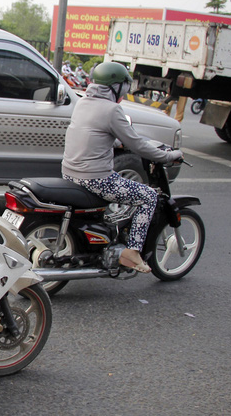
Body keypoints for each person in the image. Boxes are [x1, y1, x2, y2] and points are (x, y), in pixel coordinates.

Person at [61, 62, 183, 273]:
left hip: (70, 173)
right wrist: (168, 156)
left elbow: (93, 133)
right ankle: (133, 251)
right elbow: (137, 144)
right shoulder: (112, 109)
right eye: (124, 87)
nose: (125, 93)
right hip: (96, 178)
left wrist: (116, 142)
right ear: (115, 87)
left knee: (123, 189)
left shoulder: (82, 103)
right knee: (148, 196)